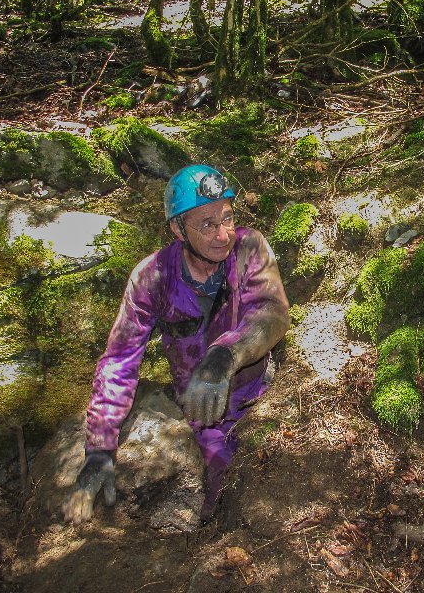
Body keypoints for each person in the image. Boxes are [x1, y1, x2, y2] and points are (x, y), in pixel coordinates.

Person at [62, 164, 290, 524]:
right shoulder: (152, 277)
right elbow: (120, 361)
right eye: (207, 224)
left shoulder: (249, 248)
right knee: (214, 494)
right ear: (177, 229)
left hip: (258, 400)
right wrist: (100, 449)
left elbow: (272, 312)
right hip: (201, 417)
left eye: (227, 218)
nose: (222, 234)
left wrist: (225, 354)